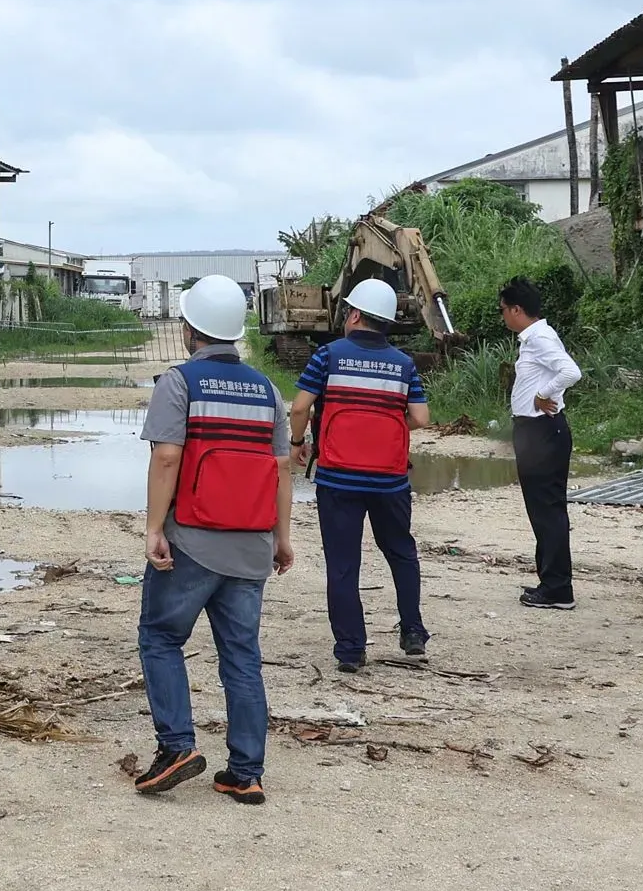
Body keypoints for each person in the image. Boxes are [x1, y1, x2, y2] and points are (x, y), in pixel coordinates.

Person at [131, 274, 298, 804]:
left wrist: (154, 529)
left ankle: (177, 746)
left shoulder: (179, 383)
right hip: (251, 545)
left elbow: (166, 457)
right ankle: (245, 773)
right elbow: (282, 468)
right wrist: (282, 537)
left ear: (190, 328)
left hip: (193, 542)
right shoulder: (267, 390)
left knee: (161, 638)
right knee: (242, 657)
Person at [287, 278, 432, 674]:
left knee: (343, 564)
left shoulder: (328, 356)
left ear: (354, 315)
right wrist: (387, 425)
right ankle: (413, 632)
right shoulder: (404, 364)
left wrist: (298, 442)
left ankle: (351, 649)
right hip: (390, 480)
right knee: (401, 552)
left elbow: (299, 407)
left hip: (338, 479)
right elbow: (420, 417)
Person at [500, 277, 584, 610]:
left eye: (503, 309)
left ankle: (558, 588)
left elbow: (571, 372)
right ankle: (549, 579)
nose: (503, 316)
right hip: (535, 431)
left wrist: (542, 394)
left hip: (542, 432)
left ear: (517, 310)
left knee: (547, 509)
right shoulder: (535, 338)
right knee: (542, 509)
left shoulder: (540, 338)